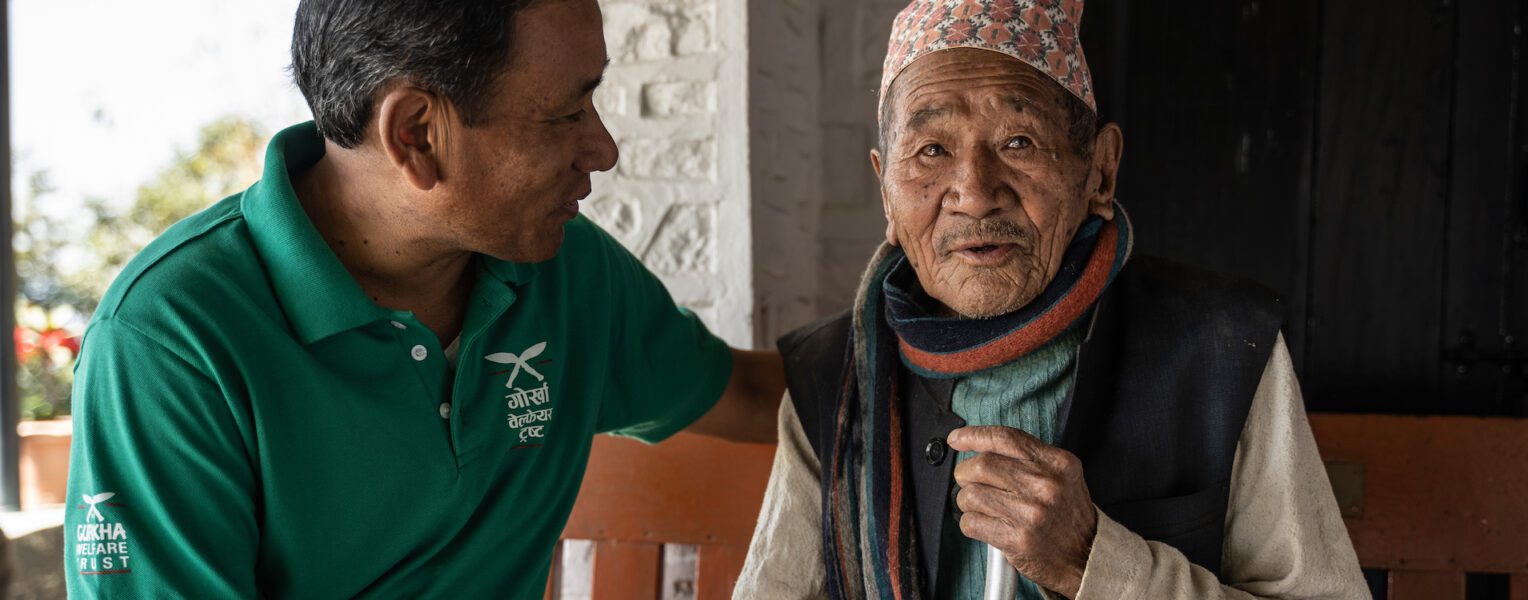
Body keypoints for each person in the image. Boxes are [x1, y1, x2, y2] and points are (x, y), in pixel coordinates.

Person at [62, 0, 784, 596]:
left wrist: (897, 315)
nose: (602, 149)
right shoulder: (169, 344)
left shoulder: (566, 275)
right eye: (566, 115)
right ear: (416, 134)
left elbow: (752, 397)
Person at [735, 0, 1368, 598]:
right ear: (885, 193)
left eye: (1019, 143)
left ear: (1099, 171)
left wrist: (1095, 559)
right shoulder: (835, 375)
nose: (975, 192)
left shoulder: (1219, 346)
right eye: (932, 150)